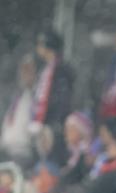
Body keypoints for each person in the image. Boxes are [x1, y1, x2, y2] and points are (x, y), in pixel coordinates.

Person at [32, 29, 74, 165]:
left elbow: (62, 98)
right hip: (43, 123)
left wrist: (54, 122)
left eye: (40, 44)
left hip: (53, 124)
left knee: (52, 161)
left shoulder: (61, 69)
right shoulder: (45, 69)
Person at [1, 54, 37, 167]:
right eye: (23, 70)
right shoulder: (17, 96)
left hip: (22, 153)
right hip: (5, 149)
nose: (24, 75)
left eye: (29, 71)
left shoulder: (37, 96)